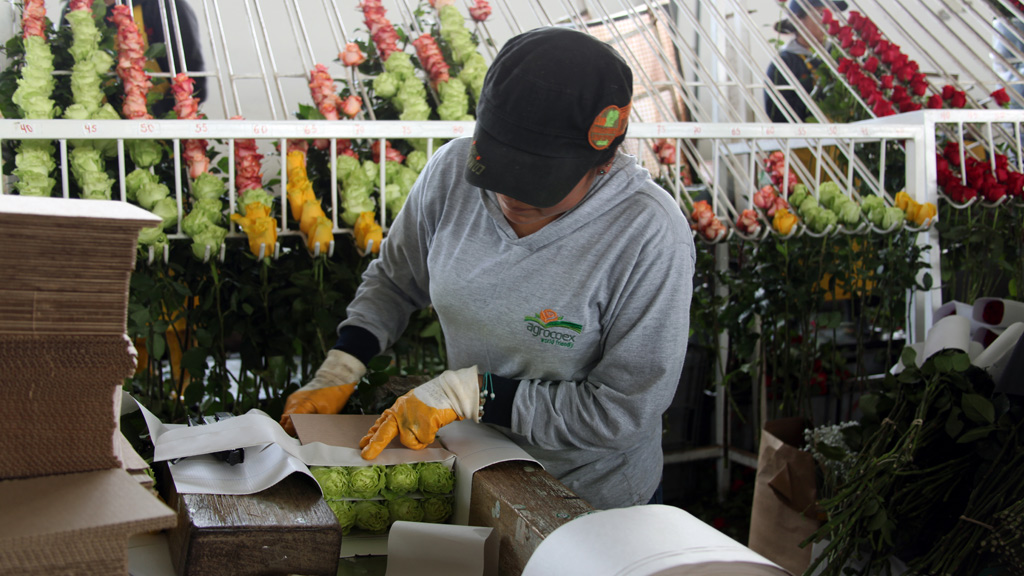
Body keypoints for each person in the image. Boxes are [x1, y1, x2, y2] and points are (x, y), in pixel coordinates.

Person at [279, 27, 695, 510]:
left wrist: (475, 394)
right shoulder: (451, 173)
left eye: (539, 180)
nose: (510, 194)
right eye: (498, 168)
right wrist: (343, 365)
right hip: (478, 467)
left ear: (600, 162)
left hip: (587, 498)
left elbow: (623, 411)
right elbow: (396, 281)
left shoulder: (647, 234)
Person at [61, 0, 206, 117]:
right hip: (91, 136)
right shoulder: (75, 9)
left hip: (155, 136)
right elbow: (64, 79)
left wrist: (145, 118)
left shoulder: (162, 6)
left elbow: (194, 82)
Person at [764, 0, 847, 122]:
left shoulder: (837, 55)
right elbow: (778, 117)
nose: (827, 21)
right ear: (798, 20)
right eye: (820, 14)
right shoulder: (784, 64)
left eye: (829, 14)